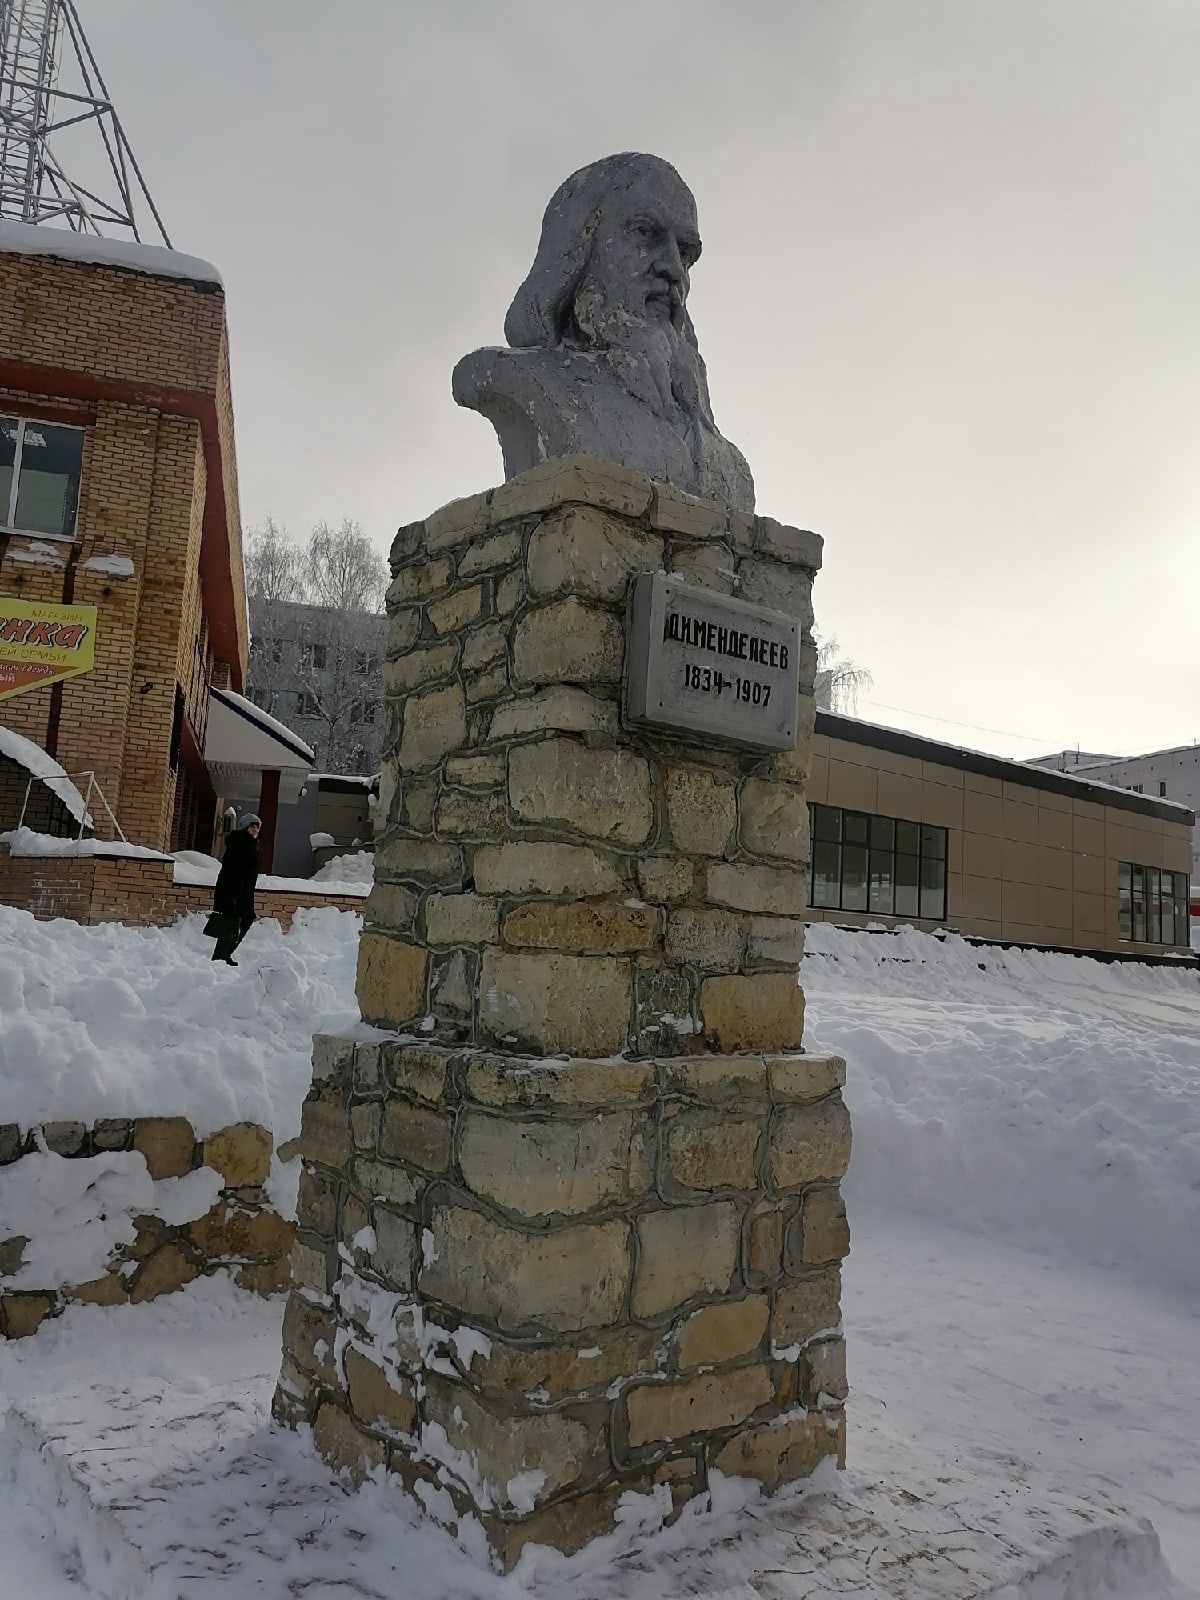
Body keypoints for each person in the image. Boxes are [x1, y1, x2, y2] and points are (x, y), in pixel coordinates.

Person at [452, 152, 755, 512]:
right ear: (580, 245)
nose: (674, 268)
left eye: (686, 252)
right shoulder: (532, 382)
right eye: (645, 233)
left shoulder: (725, 461)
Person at [207, 813, 261, 965]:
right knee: (231, 922)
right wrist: (233, 893)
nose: (255, 829)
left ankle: (223, 954)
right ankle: (221, 956)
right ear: (245, 827)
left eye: (257, 827)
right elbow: (233, 870)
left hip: (244, 892)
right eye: (252, 826)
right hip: (233, 891)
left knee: (240, 921)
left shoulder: (251, 844)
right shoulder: (239, 843)